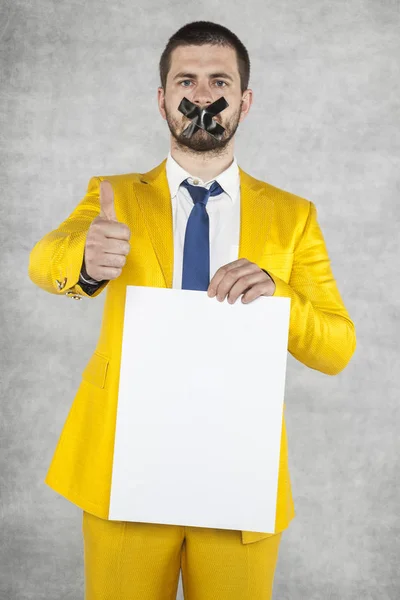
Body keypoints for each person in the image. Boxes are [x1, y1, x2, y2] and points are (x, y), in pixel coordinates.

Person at [28, 20, 356, 600]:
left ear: (244, 102)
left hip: (238, 472)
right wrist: (85, 259)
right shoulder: (113, 195)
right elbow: (44, 260)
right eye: (187, 79)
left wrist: (276, 296)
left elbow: (336, 347)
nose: (202, 94)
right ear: (162, 100)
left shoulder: (293, 216)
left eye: (219, 81)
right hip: (124, 468)